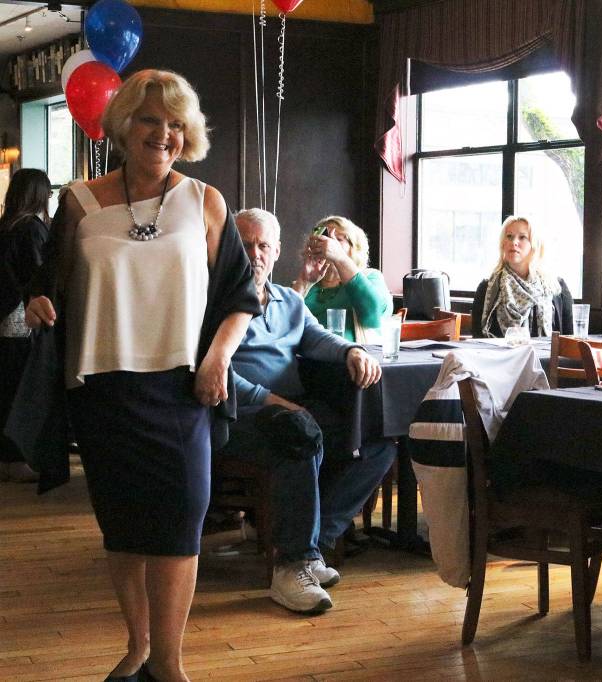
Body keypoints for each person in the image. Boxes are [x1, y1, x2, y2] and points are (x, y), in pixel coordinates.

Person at [23, 70, 260, 682]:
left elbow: (240, 297)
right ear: (123, 127)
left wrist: (217, 360)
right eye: (151, 120)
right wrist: (37, 303)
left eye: (176, 124)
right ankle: (137, 648)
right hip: (101, 389)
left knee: (181, 528)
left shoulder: (206, 201)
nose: (164, 134)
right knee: (123, 530)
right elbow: (46, 287)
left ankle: (171, 666)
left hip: (182, 389)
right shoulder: (77, 202)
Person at [230, 208, 395, 614]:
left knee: (378, 443)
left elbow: (317, 337)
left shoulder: (288, 299)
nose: (255, 254)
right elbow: (210, 371)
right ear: (228, 247)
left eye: (263, 245)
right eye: (246, 244)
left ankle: (314, 545)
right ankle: (290, 569)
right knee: (299, 433)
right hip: (241, 414)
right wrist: (269, 400)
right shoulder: (213, 299)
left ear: (277, 250)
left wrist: (352, 350)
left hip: (290, 410)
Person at [0, 168, 51, 483]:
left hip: (3, 319)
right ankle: (16, 458)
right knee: (21, 391)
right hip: (22, 320)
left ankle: (6, 458)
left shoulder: (5, 227)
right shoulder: (32, 229)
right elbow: (39, 276)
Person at [291, 215, 392, 341]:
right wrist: (303, 281)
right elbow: (281, 325)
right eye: (323, 238)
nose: (328, 244)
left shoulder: (370, 278)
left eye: (337, 239)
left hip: (353, 357)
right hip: (305, 358)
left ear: (354, 247)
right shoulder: (306, 283)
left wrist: (340, 258)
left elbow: (373, 318)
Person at [471, 215, 574, 338]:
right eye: (509, 236)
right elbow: (477, 340)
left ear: (534, 245)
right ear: (503, 243)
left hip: (545, 357)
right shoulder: (487, 288)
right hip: (499, 357)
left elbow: (570, 339)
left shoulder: (556, 288)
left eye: (522, 237)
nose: (514, 242)